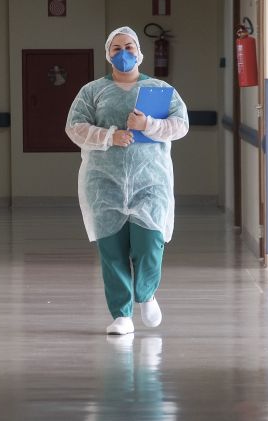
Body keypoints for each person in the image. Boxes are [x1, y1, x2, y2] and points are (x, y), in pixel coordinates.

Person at [65, 26, 189, 335]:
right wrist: (110, 136)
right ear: (108, 54)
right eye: (117, 48)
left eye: (130, 47)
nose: (124, 54)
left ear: (140, 53)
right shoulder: (92, 92)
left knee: (149, 243)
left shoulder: (161, 90)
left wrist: (148, 124)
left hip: (151, 182)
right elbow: (74, 127)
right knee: (113, 251)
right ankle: (121, 315)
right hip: (103, 183)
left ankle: (145, 293)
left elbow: (181, 125)